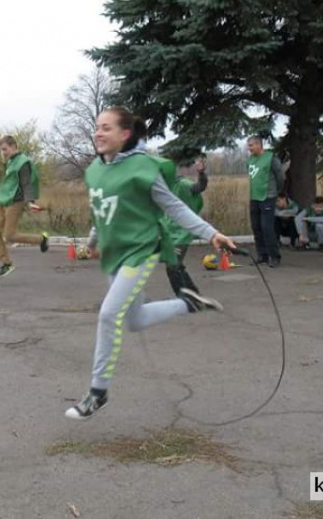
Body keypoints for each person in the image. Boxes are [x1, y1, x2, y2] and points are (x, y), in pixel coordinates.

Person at [65, 107, 237, 421]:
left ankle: (97, 392)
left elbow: (174, 207)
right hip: (115, 253)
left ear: (124, 134)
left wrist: (211, 233)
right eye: (97, 128)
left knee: (108, 315)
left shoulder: (143, 168)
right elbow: (101, 212)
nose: (99, 133)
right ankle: (189, 304)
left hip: (142, 252)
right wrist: (91, 243)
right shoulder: (94, 171)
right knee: (134, 320)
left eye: (106, 128)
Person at [0, 135, 49, 279]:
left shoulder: (23, 163)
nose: (3, 152)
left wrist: (30, 202)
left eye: (5, 149)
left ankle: (42, 240)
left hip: (15, 203)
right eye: (1, 150)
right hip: (2, 201)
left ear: (14, 146)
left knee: (9, 235)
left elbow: (26, 184)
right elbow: (9, 182)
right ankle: (7, 263)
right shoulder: (10, 162)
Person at [163, 153, 208, 295]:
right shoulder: (163, 187)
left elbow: (200, 187)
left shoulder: (182, 184)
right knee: (177, 266)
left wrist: (201, 172)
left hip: (182, 233)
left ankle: (185, 297)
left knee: (173, 266)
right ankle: (193, 294)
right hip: (171, 233)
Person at [247, 136, 284, 267]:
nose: (249, 148)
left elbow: (280, 176)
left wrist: (278, 192)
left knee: (267, 227)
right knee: (256, 227)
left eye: (251, 145)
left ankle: (274, 256)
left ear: (259, 144)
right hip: (254, 197)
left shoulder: (271, 158)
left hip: (268, 196)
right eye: (248, 145)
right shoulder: (251, 159)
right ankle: (262, 255)